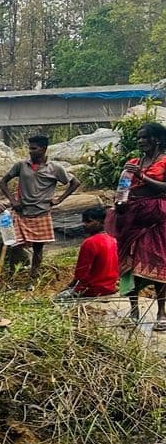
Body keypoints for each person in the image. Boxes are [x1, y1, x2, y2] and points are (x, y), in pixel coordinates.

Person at [0, 134, 79, 279]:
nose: (30, 151)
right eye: (30, 148)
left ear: (43, 149)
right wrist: (12, 200)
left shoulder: (55, 168)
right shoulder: (21, 165)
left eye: (34, 148)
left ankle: (33, 277)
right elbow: (3, 182)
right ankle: (12, 275)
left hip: (41, 213)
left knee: (38, 249)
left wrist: (59, 199)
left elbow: (75, 183)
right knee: (14, 246)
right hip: (21, 213)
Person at [116, 122, 166, 328]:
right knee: (129, 263)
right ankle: (134, 311)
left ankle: (162, 314)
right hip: (131, 217)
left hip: (157, 218)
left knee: (159, 263)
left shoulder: (164, 162)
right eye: (139, 138)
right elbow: (123, 186)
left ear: (157, 139)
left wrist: (141, 176)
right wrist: (119, 201)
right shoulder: (134, 162)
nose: (140, 141)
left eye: (144, 137)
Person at [58, 206, 119, 300]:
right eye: (84, 221)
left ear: (100, 222)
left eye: (89, 221)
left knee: (58, 299)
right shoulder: (113, 240)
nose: (84, 224)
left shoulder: (90, 242)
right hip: (110, 287)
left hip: (91, 289)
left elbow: (81, 273)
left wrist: (68, 288)